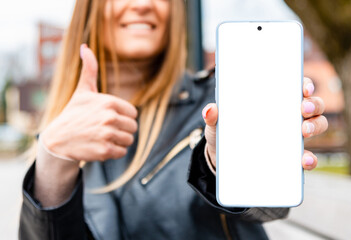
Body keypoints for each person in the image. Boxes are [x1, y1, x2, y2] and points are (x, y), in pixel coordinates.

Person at [19, 0, 328, 239]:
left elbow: (270, 205)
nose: (143, 5)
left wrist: (226, 163)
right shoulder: (64, 133)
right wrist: (53, 162)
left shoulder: (218, 101)